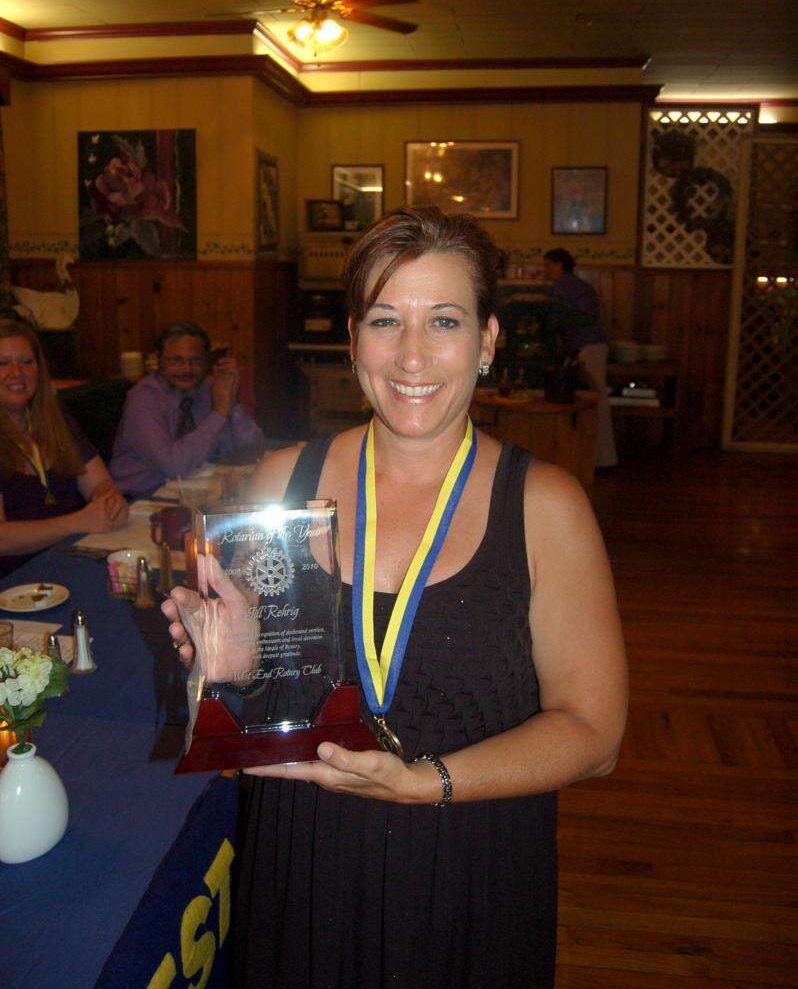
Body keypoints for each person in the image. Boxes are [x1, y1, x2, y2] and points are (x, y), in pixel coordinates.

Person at [163, 207, 628, 989]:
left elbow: (594, 733)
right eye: (385, 321)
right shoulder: (281, 484)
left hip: (468, 872)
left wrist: (425, 781)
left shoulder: (546, 508)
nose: (412, 355)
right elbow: (256, 695)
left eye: (444, 321)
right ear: (353, 341)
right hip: (304, 866)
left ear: (486, 341)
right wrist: (233, 670)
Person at [0, 320, 128, 579]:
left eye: (26, 362)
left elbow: (100, 484)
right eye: (3, 363)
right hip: (14, 582)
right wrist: (78, 522)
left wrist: (109, 501)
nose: (16, 372)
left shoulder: (54, 417)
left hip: (68, 564)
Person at [110, 321, 264, 496]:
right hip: (141, 496)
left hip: (191, 490)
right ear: (159, 360)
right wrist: (218, 414)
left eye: (195, 360)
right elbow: (174, 467)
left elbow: (251, 450)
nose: (187, 369)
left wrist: (232, 401)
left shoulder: (207, 390)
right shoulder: (143, 400)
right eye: (177, 360)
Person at [543, 247, 618, 469]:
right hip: (592, 347)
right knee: (597, 399)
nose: (546, 270)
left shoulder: (563, 286)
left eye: (548, 265)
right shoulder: (578, 286)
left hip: (588, 348)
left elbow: (557, 318)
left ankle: (604, 459)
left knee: (598, 400)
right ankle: (601, 458)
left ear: (559, 265)